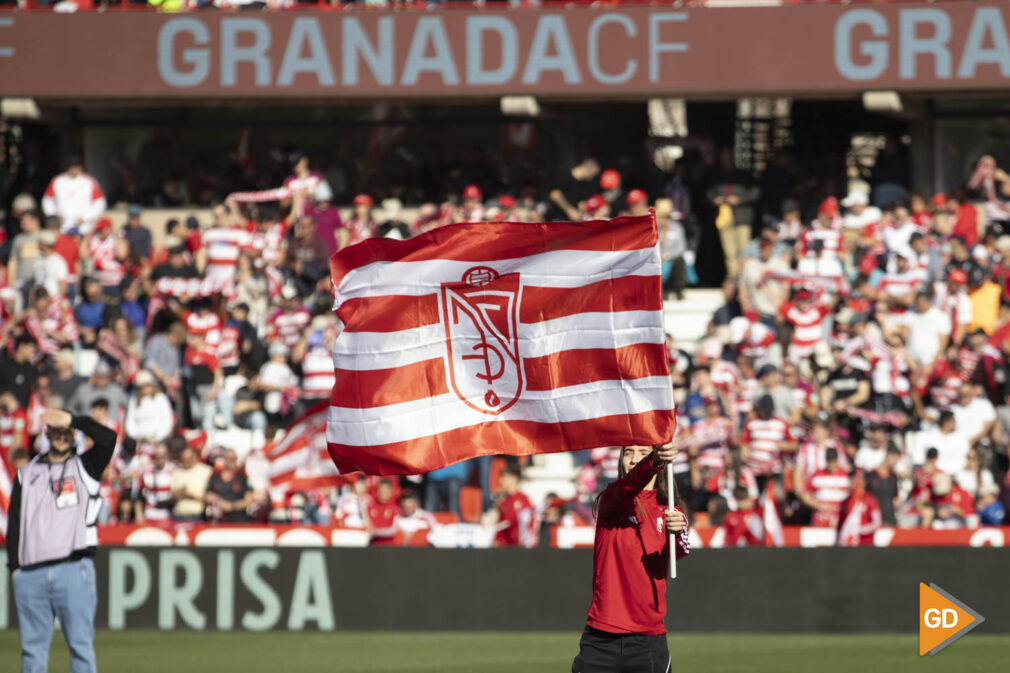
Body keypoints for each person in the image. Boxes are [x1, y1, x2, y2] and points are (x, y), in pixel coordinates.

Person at [6, 407, 117, 673]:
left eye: (67, 432)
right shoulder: (26, 473)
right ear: (47, 432)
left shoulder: (85, 466)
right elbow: (15, 523)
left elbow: (108, 438)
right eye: (56, 431)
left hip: (73, 568)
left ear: (74, 434)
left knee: (80, 647)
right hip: (31, 572)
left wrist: (74, 420)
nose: (61, 437)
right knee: (33, 653)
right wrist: (14, 569)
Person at [571, 445, 689, 673]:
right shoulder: (611, 500)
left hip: (648, 642)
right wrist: (652, 461)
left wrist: (679, 530)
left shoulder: (672, 511)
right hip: (601, 639)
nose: (634, 459)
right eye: (628, 453)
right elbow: (627, 487)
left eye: (642, 452)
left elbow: (682, 551)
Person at [494, 466, 537, 548]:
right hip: (506, 550)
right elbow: (500, 530)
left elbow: (529, 525)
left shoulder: (524, 500)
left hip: (521, 549)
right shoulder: (503, 503)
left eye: (504, 478)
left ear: (514, 479)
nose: (501, 481)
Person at [205, 449, 253, 523]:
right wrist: (219, 502)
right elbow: (207, 495)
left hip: (239, 519)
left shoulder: (242, 478)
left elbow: (249, 499)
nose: (233, 461)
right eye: (230, 459)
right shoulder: (215, 477)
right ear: (224, 460)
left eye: (235, 459)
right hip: (219, 520)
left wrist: (232, 506)